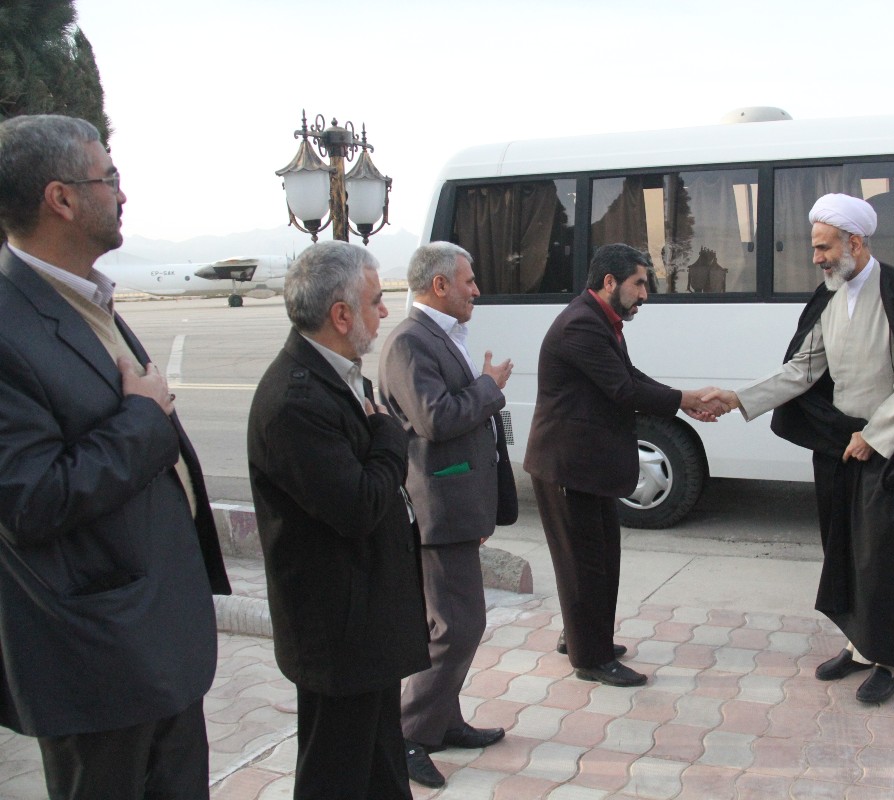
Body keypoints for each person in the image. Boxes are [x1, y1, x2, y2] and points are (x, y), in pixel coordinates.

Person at [0, 114, 230, 799]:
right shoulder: (9, 325)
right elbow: (30, 498)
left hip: (154, 644)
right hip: (97, 662)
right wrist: (142, 418)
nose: (122, 194)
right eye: (110, 177)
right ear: (61, 199)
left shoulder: (83, 299)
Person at [703, 194, 894, 704]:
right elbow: (803, 369)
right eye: (815, 248)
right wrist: (739, 398)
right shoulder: (829, 296)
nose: (817, 258)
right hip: (843, 447)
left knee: (887, 560)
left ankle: (891, 660)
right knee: (846, 553)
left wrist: (874, 437)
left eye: (824, 248)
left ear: (855, 243)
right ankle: (859, 645)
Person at [247, 241, 430, 800]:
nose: (385, 311)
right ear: (341, 314)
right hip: (339, 633)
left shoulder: (343, 375)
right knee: (335, 774)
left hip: (367, 620)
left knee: (381, 767)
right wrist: (391, 439)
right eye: (376, 301)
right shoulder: (295, 401)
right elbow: (360, 505)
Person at [524, 243, 723, 688]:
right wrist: (683, 400)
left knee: (598, 560)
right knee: (584, 565)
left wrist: (683, 400)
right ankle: (590, 659)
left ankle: (582, 636)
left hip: (588, 465)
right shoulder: (581, 324)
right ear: (609, 281)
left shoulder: (601, 319)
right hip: (567, 466)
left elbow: (630, 376)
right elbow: (624, 390)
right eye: (639, 284)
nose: (645, 295)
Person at [378, 242, 513, 789]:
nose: (476, 290)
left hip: (459, 503)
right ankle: (410, 733)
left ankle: (443, 719)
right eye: (468, 281)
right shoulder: (409, 342)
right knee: (456, 626)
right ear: (439, 285)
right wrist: (489, 387)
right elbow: (435, 419)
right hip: (438, 506)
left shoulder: (439, 336)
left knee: (457, 622)